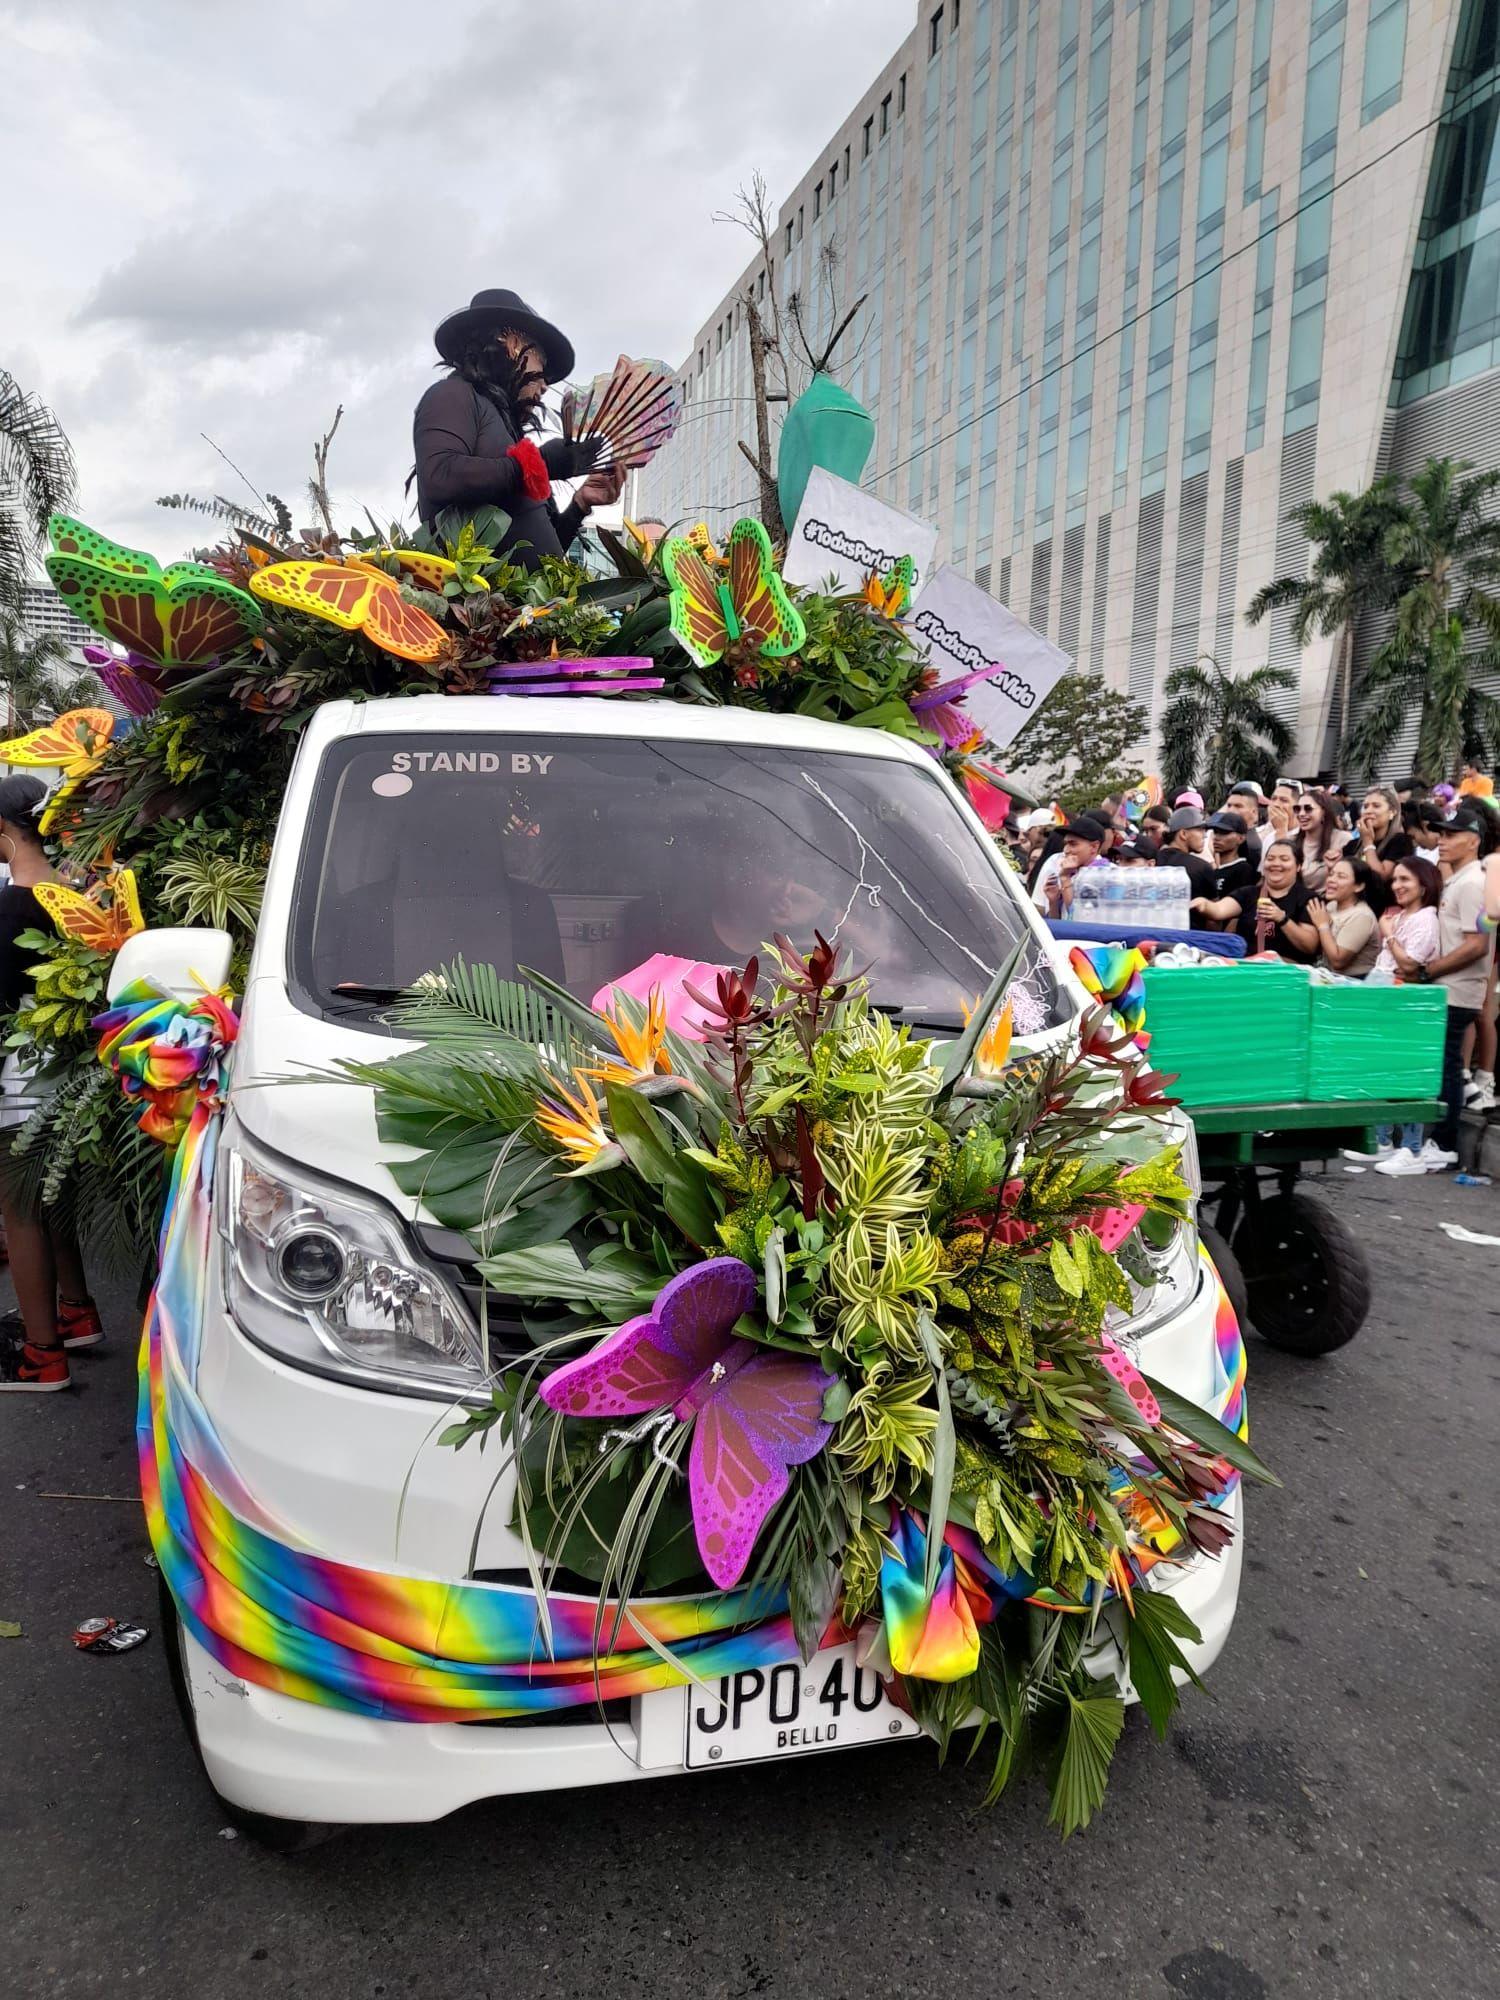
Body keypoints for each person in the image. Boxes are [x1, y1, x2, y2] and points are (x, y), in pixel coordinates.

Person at [0, 777, 102, 1391]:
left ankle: (42, 1354)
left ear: (6, 834)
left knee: (21, 1214)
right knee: (52, 1194)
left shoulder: (12, 908)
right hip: (68, 1078)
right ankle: (77, 1310)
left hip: (18, 1082)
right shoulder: (75, 894)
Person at [413, 287, 626, 569]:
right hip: (473, 605)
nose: (545, 383)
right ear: (512, 342)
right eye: (542, 362)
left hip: (521, 609)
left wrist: (580, 504)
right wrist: (540, 463)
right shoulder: (452, 394)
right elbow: (440, 476)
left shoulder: (511, 432)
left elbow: (547, 559)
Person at [1402, 806, 1497, 1170]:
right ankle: (1440, 1142)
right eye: (1440, 834)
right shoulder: (1463, 878)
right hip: (1449, 987)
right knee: (1446, 1066)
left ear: (1473, 841)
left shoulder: (1474, 882)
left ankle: (1444, 1145)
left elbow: (1477, 944)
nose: (1442, 841)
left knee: (1449, 1067)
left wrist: (1429, 971)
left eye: (1451, 835)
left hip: (1458, 989)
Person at [1361, 859, 1444, 1172]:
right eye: (1395, 880)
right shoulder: (1401, 915)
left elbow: (1410, 965)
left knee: (1407, 1075)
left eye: (1405, 879)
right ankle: (1383, 1140)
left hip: (1408, 1004)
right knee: (1384, 1071)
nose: (1397, 885)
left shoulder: (1426, 918)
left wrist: (1389, 935)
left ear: (1423, 884)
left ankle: (1412, 1150)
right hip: (1386, 1000)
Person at [1190, 810, 1260, 945]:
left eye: (1224, 833)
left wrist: (1224, 940)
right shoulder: (1211, 870)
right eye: (1215, 832)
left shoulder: (1244, 869)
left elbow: (1240, 910)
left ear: (1241, 838)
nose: (1217, 837)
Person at [1309, 855, 1380, 977]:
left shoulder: (1362, 916)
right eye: (1331, 874)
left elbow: (1338, 961)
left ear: (1359, 886)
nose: (1331, 880)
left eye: (1341, 877)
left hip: (1355, 984)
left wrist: (1323, 926)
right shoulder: (1331, 906)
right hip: (1329, 978)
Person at [1253, 840, 1319, 962]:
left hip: (1287, 973)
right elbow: (1219, 909)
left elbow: (1310, 946)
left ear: (1298, 866)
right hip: (1247, 969)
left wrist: (1282, 918)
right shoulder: (1248, 893)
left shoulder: (1308, 898)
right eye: (1270, 858)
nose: (1276, 863)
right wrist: (1205, 905)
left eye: (1284, 859)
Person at [1036, 818, 1110, 916]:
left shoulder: (1105, 875)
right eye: (1065, 844)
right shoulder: (1070, 872)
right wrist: (1053, 901)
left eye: (1073, 844)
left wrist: (1065, 878)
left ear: (1094, 847)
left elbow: (1079, 918)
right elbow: (1058, 923)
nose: (1066, 850)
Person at [1352, 784, 1411, 906]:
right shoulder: (1352, 845)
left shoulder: (1400, 841)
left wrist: (1368, 843)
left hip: (1383, 910)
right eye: (1365, 806)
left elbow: (1381, 876)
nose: (1369, 810)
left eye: (1376, 806)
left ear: (1392, 812)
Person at [1159, 806, 1216, 922]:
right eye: (1200, 830)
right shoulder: (1202, 867)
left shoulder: (1151, 861)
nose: (1205, 835)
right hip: (1193, 937)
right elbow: (1213, 920)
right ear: (1183, 834)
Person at [1290, 787, 1350, 894]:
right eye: (1297, 809)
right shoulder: (1291, 839)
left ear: (1323, 811)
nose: (1301, 814)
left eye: (1308, 808)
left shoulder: (1343, 839)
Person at [1224, 781, 1268, 865]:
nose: (1231, 810)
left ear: (1255, 812)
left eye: (1238, 806)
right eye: (1229, 805)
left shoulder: (1251, 846)